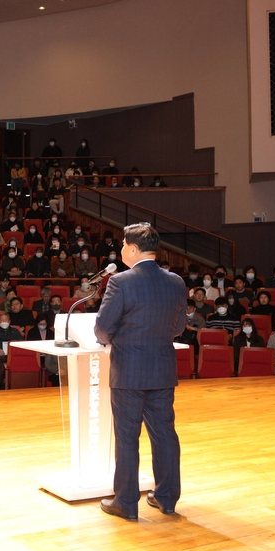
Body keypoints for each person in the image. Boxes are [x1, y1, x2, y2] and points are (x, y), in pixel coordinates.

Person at [94, 223, 186, 521]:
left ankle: (126, 502)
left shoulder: (121, 282)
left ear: (133, 249)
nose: (121, 250)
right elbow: (180, 327)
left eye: (123, 245)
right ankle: (167, 498)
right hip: (161, 368)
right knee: (164, 435)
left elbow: (103, 328)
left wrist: (112, 339)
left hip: (129, 371)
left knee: (127, 437)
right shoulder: (175, 282)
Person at [0, 313, 24, 389]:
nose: (4, 322)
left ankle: (17, 381)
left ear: (9, 322)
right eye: (2, 320)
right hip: (1, 354)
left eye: (6, 320)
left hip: (13, 354)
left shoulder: (15, 331)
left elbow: (22, 343)